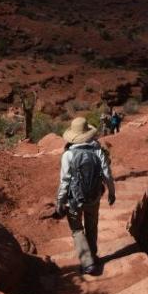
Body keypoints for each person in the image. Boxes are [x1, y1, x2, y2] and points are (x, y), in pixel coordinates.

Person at [55, 117, 116, 275]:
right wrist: (111, 192)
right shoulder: (98, 151)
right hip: (94, 197)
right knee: (92, 226)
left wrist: (60, 201)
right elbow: (107, 175)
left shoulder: (68, 155)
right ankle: (93, 256)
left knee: (76, 230)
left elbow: (65, 181)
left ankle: (87, 262)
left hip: (74, 200)